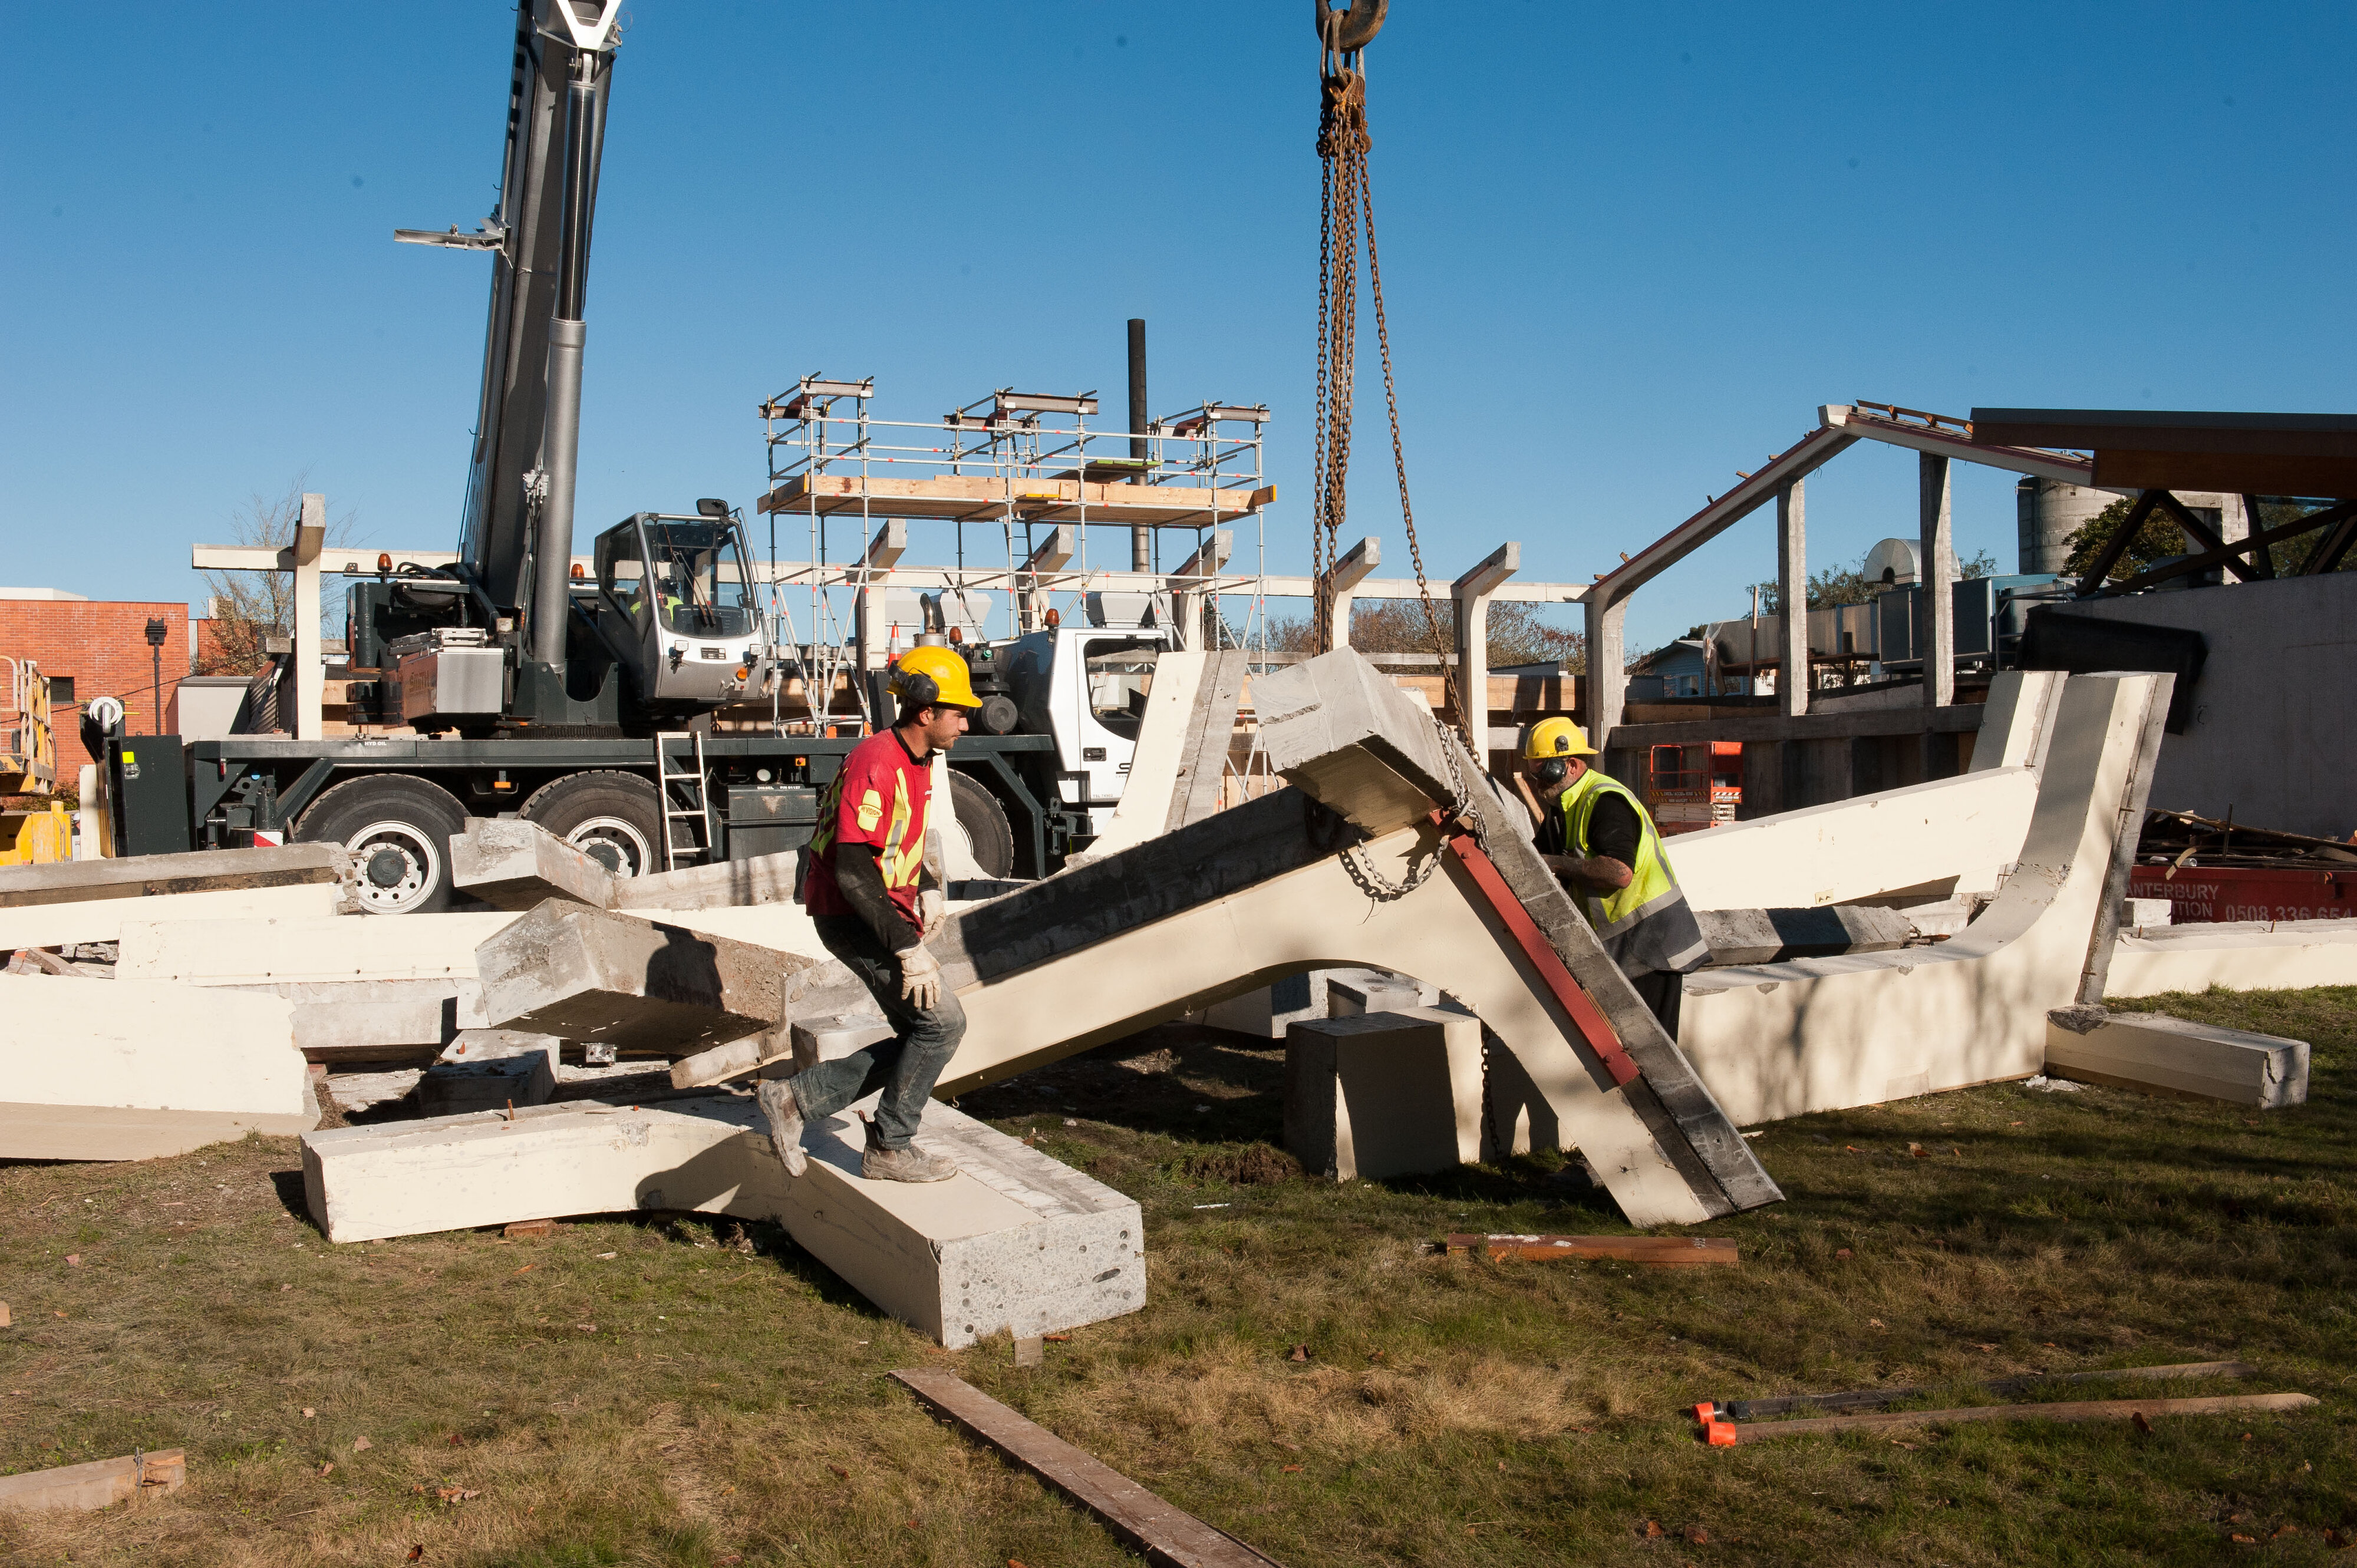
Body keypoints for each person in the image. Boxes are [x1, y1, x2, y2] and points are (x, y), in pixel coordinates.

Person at [756, 645, 980, 1183]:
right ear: (926, 711)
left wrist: (926, 886)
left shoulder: (916, 760)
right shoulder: (877, 762)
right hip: (852, 915)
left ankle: (794, 1100)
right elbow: (853, 869)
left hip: (876, 910)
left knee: (920, 1035)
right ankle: (889, 1146)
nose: (966, 724)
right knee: (942, 1025)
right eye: (958, 712)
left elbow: (895, 843)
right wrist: (906, 949)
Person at [1521, 718, 1708, 1036]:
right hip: (1626, 951)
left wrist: (1556, 864)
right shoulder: (1562, 809)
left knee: (1653, 1050)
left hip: (1653, 948)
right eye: (1534, 773)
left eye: (1544, 772)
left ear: (1572, 765)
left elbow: (1619, 873)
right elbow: (1531, 858)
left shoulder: (1605, 800)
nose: (1538, 782)